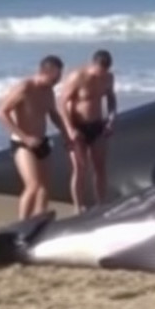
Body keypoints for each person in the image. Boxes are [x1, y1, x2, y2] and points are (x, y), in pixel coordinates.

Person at [0, 55, 68, 220]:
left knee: (44, 188)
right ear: (45, 72)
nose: (57, 81)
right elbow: (1, 112)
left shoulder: (49, 91)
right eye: (55, 78)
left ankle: (38, 220)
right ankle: (22, 224)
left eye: (59, 78)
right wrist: (25, 137)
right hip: (23, 143)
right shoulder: (25, 88)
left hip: (42, 142)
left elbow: (53, 114)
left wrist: (66, 133)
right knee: (33, 186)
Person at [58, 49, 118, 213]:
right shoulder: (77, 77)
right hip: (77, 126)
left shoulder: (108, 78)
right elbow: (62, 103)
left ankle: (101, 204)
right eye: (99, 71)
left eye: (104, 72)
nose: (101, 75)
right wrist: (70, 129)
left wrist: (111, 119)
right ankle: (78, 207)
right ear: (93, 65)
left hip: (97, 125)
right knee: (80, 168)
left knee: (100, 166)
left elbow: (111, 98)